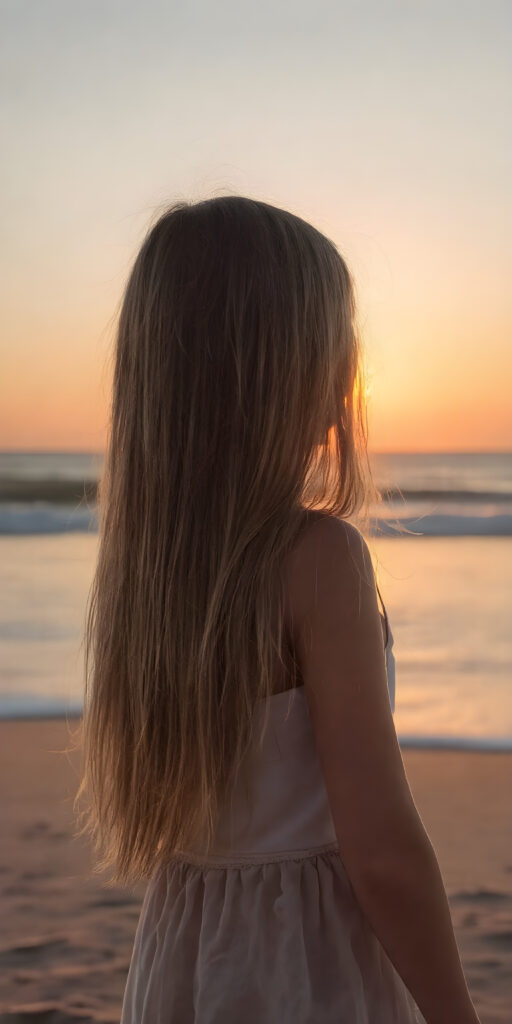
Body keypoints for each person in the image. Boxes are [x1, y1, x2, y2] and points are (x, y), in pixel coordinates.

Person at [73, 195, 481, 1023]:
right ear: (283, 371)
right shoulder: (317, 561)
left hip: (185, 953)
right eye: (337, 345)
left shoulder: (149, 579)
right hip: (309, 960)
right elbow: (384, 853)